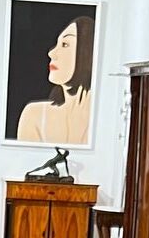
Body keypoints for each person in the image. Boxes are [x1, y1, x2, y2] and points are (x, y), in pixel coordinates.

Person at [17, 16, 94, 145]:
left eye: (65, 44)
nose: (51, 53)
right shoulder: (34, 115)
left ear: (88, 52)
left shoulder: (104, 117)